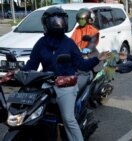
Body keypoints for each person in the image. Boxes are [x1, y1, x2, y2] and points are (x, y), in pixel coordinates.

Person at [21, 7, 109, 141]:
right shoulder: (41, 44)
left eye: (60, 20)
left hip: (66, 86)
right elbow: (31, 65)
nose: (58, 23)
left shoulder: (68, 43)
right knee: (31, 115)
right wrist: (16, 73)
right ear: (46, 23)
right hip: (46, 85)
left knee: (68, 119)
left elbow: (81, 65)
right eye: (54, 20)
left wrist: (98, 58)